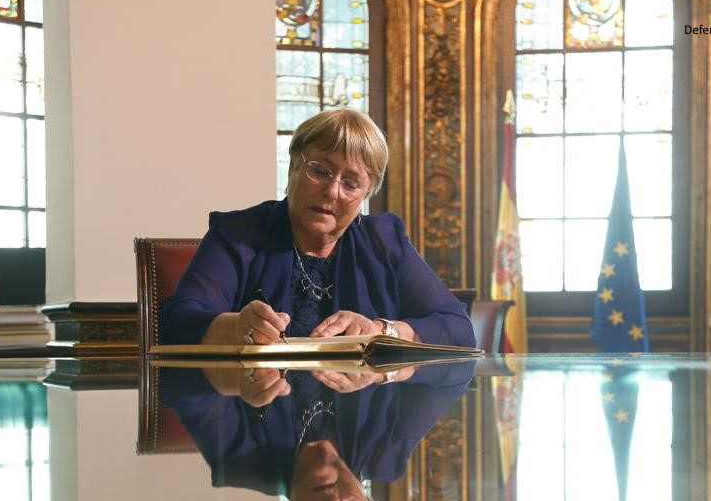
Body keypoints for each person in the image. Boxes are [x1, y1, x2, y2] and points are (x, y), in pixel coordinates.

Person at [160, 107, 475, 348]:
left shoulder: (385, 241)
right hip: (259, 412)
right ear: (294, 167)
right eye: (320, 171)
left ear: (366, 195)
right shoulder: (240, 233)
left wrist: (379, 331)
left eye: (351, 183)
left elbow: (458, 328)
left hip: (354, 421)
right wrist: (235, 327)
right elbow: (178, 320)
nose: (332, 191)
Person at [158, 361, 476, 501]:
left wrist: (237, 377)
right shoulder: (385, 448)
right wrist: (385, 373)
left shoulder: (240, 460)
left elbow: (180, 383)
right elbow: (457, 374)